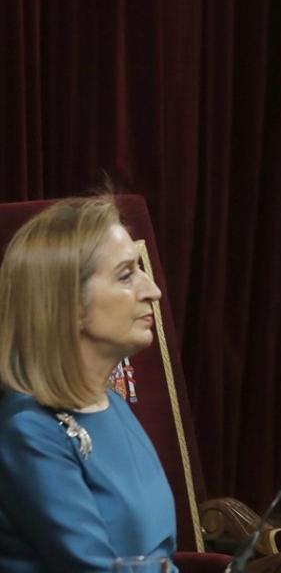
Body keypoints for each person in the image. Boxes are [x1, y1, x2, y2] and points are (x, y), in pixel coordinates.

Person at [0, 197, 176, 572]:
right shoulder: (29, 430)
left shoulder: (112, 404)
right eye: (127, 275)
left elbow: (161, 559)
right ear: (68, 303)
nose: (153, 291)